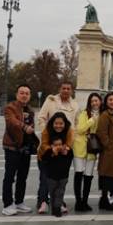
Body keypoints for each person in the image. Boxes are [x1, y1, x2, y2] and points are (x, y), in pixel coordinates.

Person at [36, 81, 79, 214]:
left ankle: (58, 202)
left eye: (68, 88)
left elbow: (75, 125)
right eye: (63, 88)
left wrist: (68, 145)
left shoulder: (75, 104)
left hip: (64, 146)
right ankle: (43, 201)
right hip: (49, 143)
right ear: (59, 89)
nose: (66, 90)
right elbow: (41, 118)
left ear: (71, 90)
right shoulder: (51, 101)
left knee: (60, 179)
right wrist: (47, 133)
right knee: (45, 176)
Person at [2, 84, 37, 216]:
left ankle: (19, 202)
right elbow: (12, 122)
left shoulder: (30, 110)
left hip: (25, 147)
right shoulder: (10, 108)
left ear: (30, 96)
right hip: (12, 147)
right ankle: (7, 204)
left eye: (27, 93)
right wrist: (24, 127)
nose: (24, 95)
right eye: (22, 93)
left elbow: (31, 126)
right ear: (17, 94)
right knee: (9, 176)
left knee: (23, 176)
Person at [37, 112, 74, 215]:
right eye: (56, 123)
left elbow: (69, 144)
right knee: (45, 180)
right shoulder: (47, 130)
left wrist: (64, 149)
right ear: (52, 123)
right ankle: (43, 202)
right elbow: (44, 145)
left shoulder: (69, 130)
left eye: (61, 123)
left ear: (65, 123)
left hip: (60, 159)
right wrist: (52, 149)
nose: (58, 126)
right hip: (45, 157)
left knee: (60, 182)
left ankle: (59, 203)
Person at [72, 93, 101, 212]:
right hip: (80, 147)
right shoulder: (84, 113)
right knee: (79, 173)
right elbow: (80, 129)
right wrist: (91, 120)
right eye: (92, 101)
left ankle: (85, 201)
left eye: (96, 100)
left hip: (92, 148)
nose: (94, 103)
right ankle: (78, 202)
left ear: (100, 101)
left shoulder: (102, 114)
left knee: (88, 175)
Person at [96, 92, 113, 211]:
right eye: (110, 100)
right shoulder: (105, 115)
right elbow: (101, 133)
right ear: (106, 102)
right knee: (106, 175)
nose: (112, 102)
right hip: (109, 151)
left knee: (111, 176)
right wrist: (109, 145)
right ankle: (104, 200)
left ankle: (106, 199)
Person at [41, 135, 74, 217]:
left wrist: (66, 154)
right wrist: (52, 154)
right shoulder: (49, 152)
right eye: (56, 145)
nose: (58, 147)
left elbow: (71, 157)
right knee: (52, 193)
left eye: (60, 144)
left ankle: (57, 208)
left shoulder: (66, 151)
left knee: (60, 193)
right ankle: (54, 208)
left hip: (63, 177)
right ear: (52, 146)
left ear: (63, 145)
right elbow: (44, 159)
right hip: (51, 177)